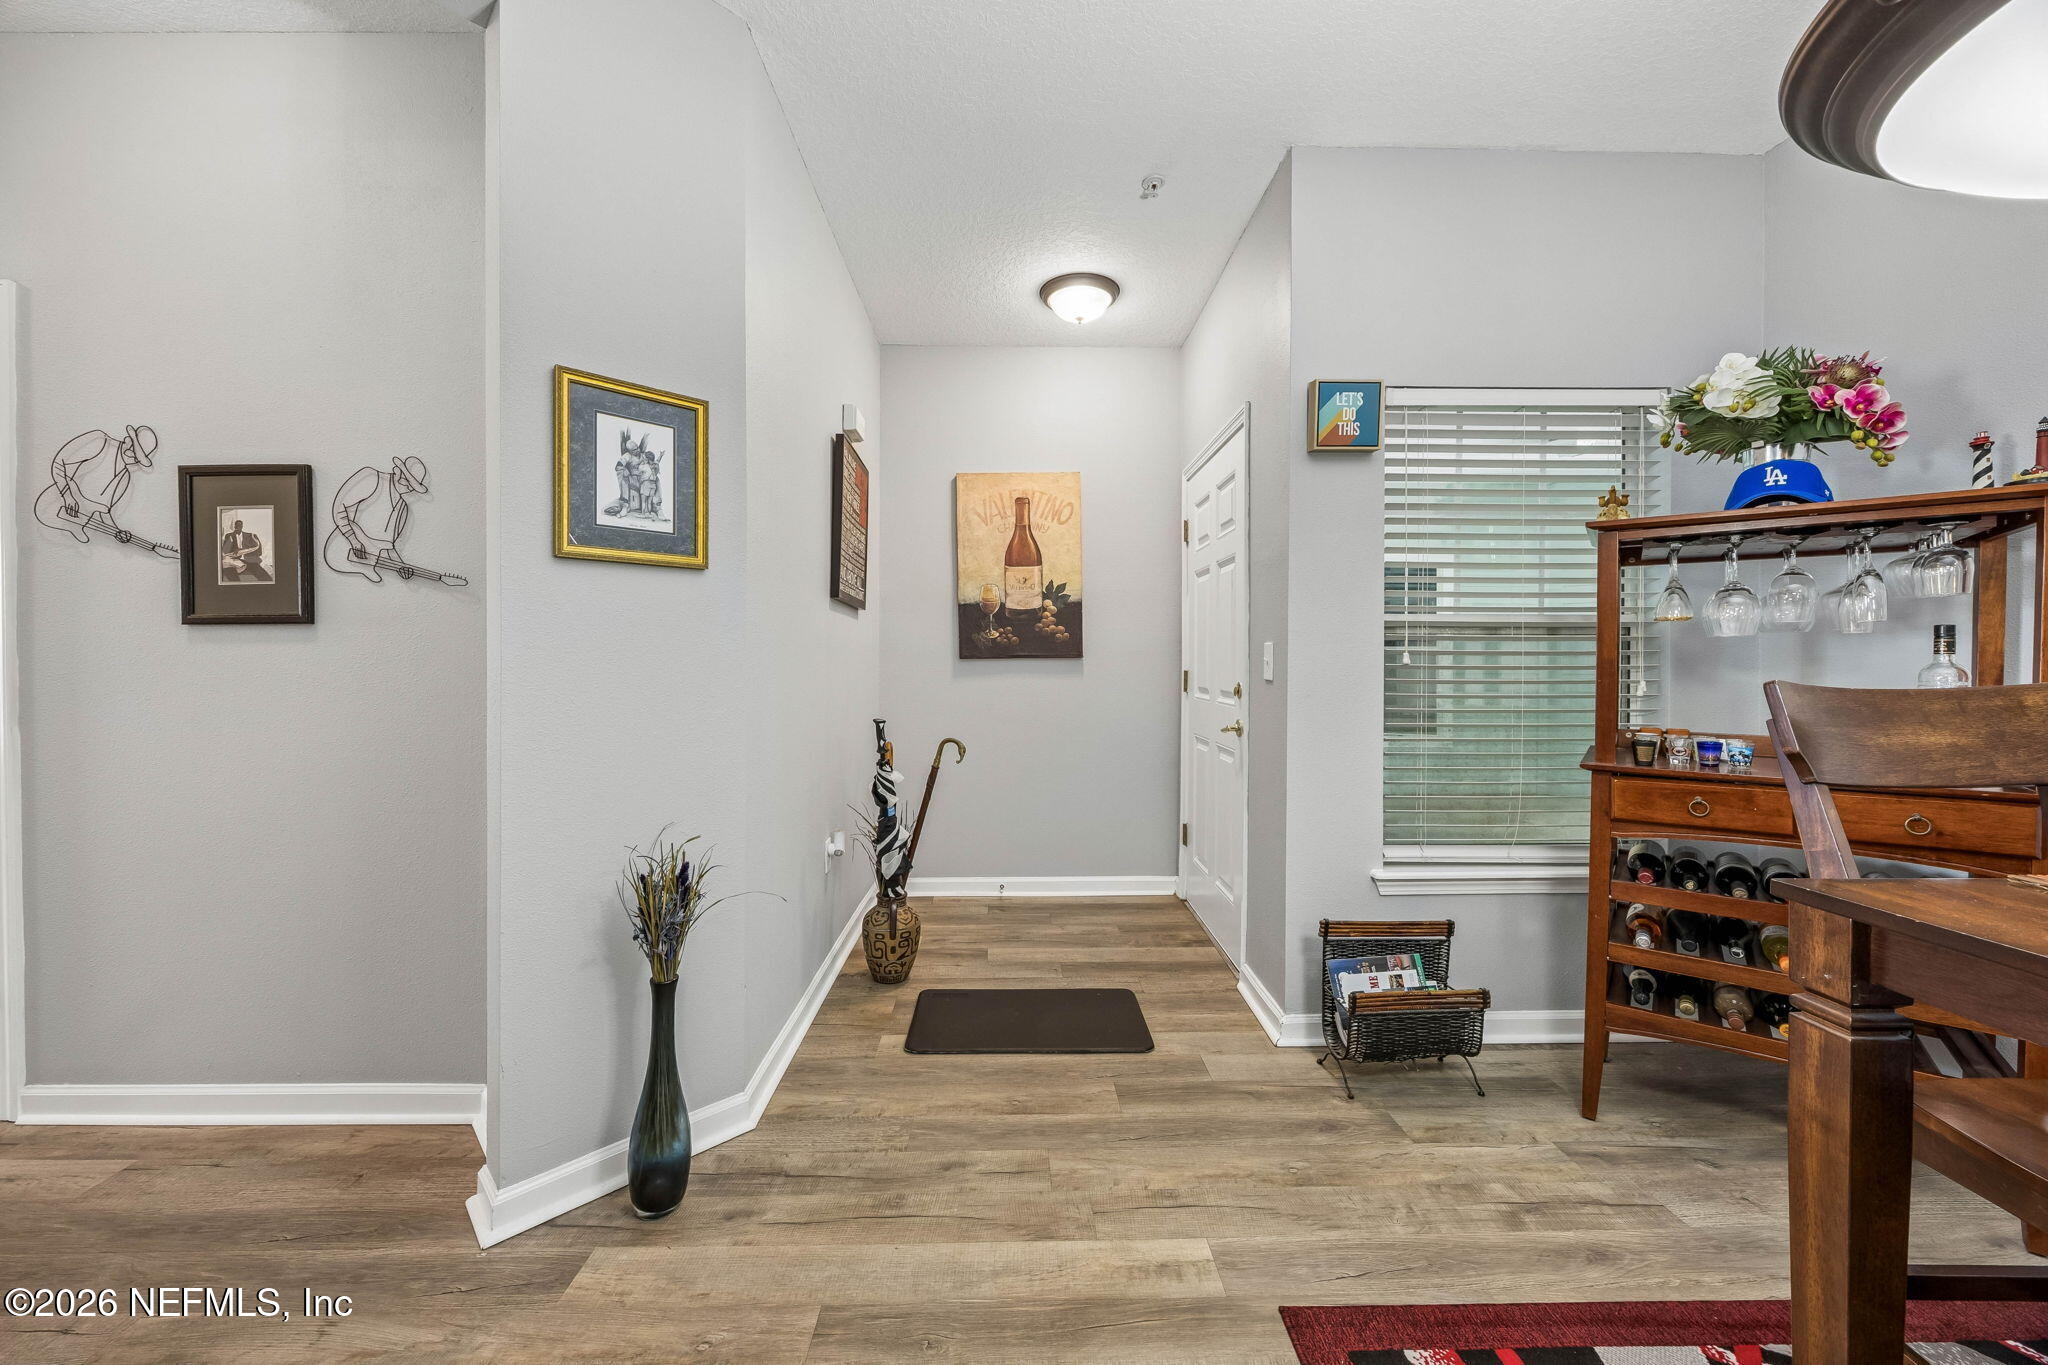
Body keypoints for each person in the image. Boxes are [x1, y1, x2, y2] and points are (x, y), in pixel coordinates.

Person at [325, 456, 429, 582]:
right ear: (398, 472)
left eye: (413, 486)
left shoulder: (403, 508)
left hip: (367, 564)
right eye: (407, 482)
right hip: (341, 550)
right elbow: (339, 508)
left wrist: (400, 567)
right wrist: (353, 540)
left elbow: (388, 546)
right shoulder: (372, 478)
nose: (409, 488)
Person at [218, 518, 271, 583]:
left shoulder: (251, 536)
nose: (237, 527)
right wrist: (230, 539)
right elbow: (225, 551)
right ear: (234, 527)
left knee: (264, 577)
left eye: (239, 526)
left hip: (250, 560)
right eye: (236, 526)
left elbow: (259, 552)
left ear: (242, 526)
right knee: (229, 571)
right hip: (234, 561)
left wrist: (242, 550)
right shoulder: (229, 536)